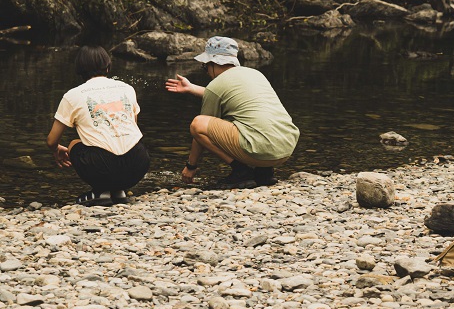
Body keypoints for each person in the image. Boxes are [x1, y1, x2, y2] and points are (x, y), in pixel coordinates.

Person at [165, 36, 299, 188]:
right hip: (285, 148)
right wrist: (192, 88)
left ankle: (241, 172)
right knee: (246, 118)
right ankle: (264, 173)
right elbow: (231, 96)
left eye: (205, 66)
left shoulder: (216, 84)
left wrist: (191, 166)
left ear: (213, 63)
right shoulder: (255, 74)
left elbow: (200, 131)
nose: (207, 72)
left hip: (261, 151)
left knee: (198, 124)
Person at [46, 45, 150, 206]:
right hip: (139, 163)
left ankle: (101, 191)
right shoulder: (127, 89)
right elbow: (132, 126)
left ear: (79, 70)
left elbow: (52, 140)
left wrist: (56, 150)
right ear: (107, 67)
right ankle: (119, 190)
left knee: (74, 144)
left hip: (103, 166)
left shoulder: (73, 95)